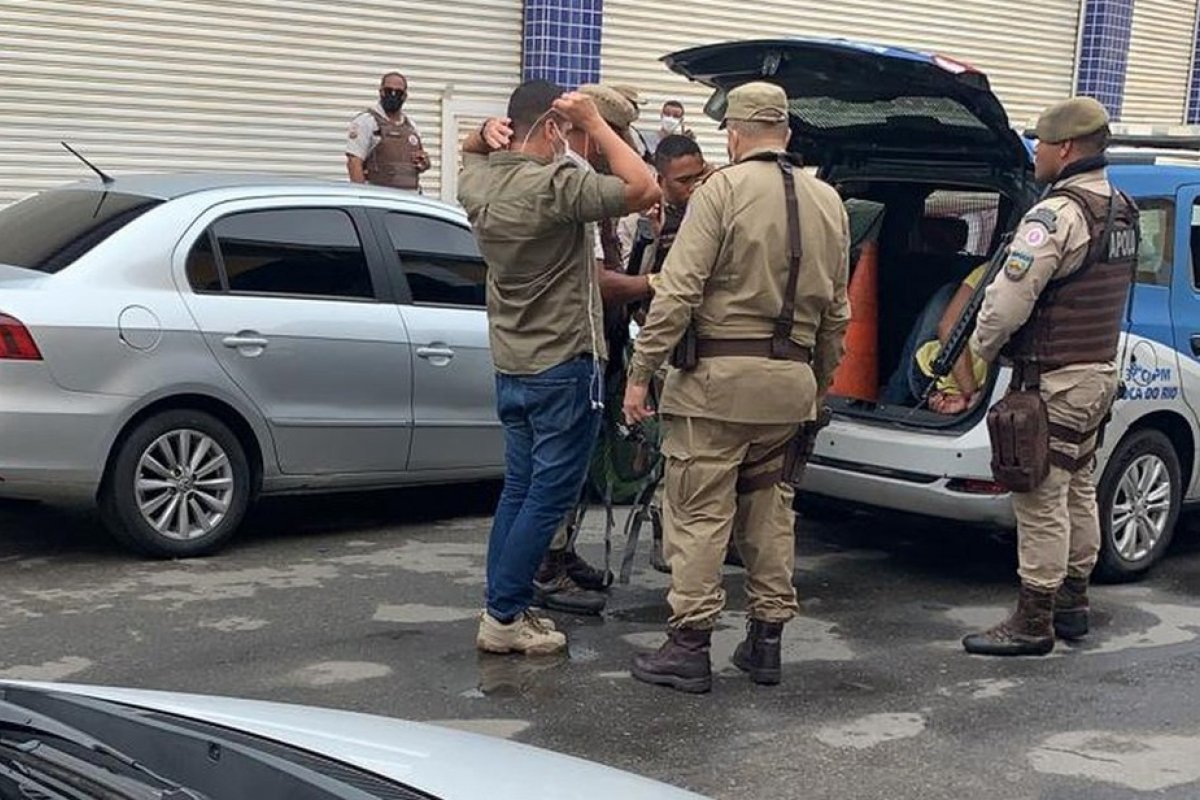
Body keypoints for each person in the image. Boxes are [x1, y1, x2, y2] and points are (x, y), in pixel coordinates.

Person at [622, 82, 851, 692]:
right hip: (791, 386)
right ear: (788, 133)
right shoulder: (830, 201)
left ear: (735, 133)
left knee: (698, 513)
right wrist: (818, 383)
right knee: (771, 511)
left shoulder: (720, 191)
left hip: (716, 386)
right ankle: (766, 641)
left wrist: (641, 373)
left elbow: (677, 290)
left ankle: (690, 645)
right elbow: (837, 312)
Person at [458, 80, 659, 655]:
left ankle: (503, 608)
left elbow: (473, 151)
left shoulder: (480, 182)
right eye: (567, 132)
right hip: (563, 364)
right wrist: (595, 123)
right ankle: (503, 617)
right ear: (552, 127)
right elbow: (642, 186)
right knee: (547, 496)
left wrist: (480, 135)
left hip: (514, 363)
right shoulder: (558, 185)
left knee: (519, 490)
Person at [962, 97, 1138, 657]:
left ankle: (1033, 620)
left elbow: (1006, 304)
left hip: (1054, 379)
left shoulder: (1055, 216)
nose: (1035, 153)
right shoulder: (1122, 209)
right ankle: (1073, 604)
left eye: (1039, 143)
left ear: (1063, 149)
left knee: (1039, 496)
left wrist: (978, 354)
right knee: (1079, 486)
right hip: (1097, 374)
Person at [532, 82, 659, 617]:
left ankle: (559, 552)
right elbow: (599, 280)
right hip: (568, 346)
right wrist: (656, 285)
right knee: (556, 464)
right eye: (610, 139)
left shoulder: (594, 185)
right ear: (586, 135)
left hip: (599, 340)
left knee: (579, 461)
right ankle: (545, 567)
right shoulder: (567, 184)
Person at [882, 262, 992, 414]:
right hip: (943, 382)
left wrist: (971, 396)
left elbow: (948, 327)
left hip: (945, 385)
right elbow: (947, 328)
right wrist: (971, 394)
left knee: (947, 292)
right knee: (948, 292)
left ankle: (891, 401)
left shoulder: (991, 270)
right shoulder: (991, 271)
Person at [346, 72, 430, 191]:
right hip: (380, 198)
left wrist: (424, 163)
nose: (393, 95)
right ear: (381, 92)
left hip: (410, 198)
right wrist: (361, 197)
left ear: (405, 96)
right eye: (389, 90)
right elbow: (354, 163)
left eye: (398, 92)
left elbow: (419, 163)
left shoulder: (411, 126)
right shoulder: (367, 121)